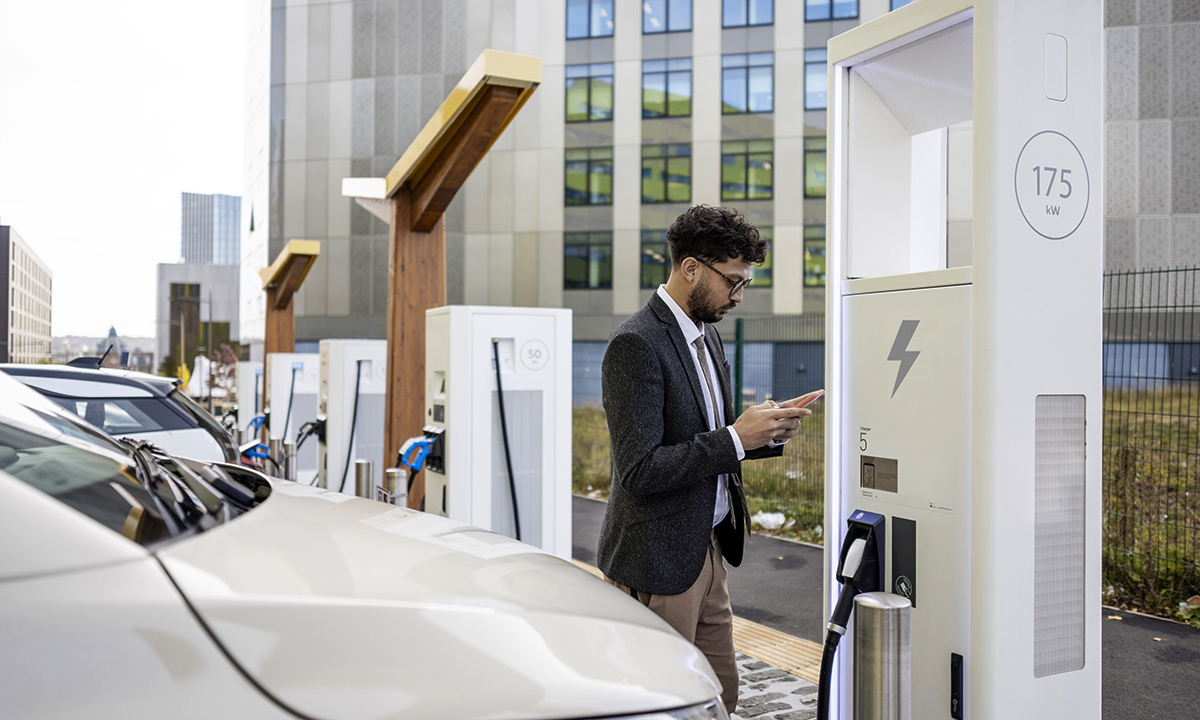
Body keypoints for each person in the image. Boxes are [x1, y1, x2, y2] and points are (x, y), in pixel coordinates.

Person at [597, 204, 816, 714]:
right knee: (666, 704)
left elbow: (709, 440)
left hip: (710, 548)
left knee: (722, 695)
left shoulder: (706, 332)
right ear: (691, 267)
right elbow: (640, 470)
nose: (738, 296)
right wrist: (737, 439)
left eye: (745, 283)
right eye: (733, 282)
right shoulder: (635, 344)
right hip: (658, 561)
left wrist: (765, 432)